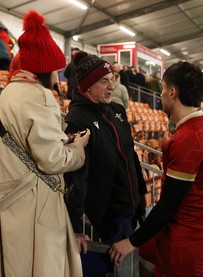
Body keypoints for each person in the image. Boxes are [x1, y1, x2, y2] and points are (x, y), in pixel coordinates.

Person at [0, 10, 90, 277]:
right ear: (43, 68)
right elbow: (53, 160)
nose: (57, 79)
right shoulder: (39, 96)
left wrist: (61, 141)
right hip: (34, 209)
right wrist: (77, 148)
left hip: (5, 207)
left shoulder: (0, 97)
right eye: (55, 70)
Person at [109, 61, 203, 277]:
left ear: (172, 92)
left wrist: (131, 242)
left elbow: (169, 205)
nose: (160, 94)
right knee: (145, 255)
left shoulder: (188, 138)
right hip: (189, 228)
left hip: (186, 236)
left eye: (162, 89)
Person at [64, 51, 147, 244]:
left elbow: (130, 154)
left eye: (112, 79)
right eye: (103, 81)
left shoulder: (116, 110)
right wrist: (76, 228)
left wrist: (141, 193)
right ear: (87, 86)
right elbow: (76, 177)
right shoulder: (77, 119)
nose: (111, 86)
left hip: (131, 204)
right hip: (108, 215)